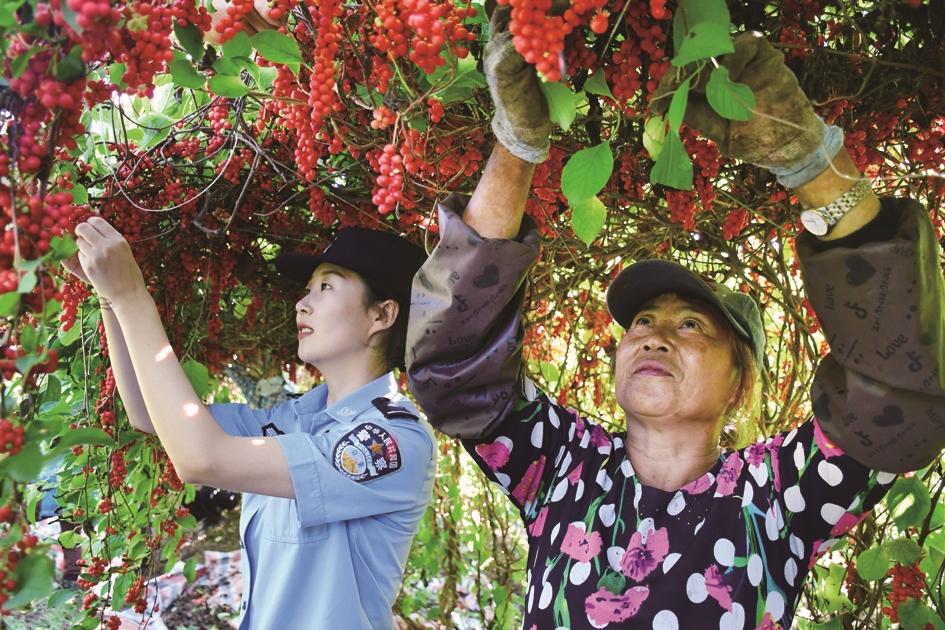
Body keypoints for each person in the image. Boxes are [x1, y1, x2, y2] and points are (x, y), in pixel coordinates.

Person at [406, 12, 945, 630]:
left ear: (741, 383)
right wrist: (517, 144)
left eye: (692, 326)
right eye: (641, 321)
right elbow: (451, 363)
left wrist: (810, 161)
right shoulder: (563, 469)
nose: (654, 335)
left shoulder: (775, 500)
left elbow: (900, 392)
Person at [63, 225, 435, 629]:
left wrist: (131, 294)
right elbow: (148, 414)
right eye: (308, 289)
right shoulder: (291, 419)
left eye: (326, 287)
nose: (302, 304)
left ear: (382, 314)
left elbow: (200, 458)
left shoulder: (393, 440)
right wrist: (109, 296)